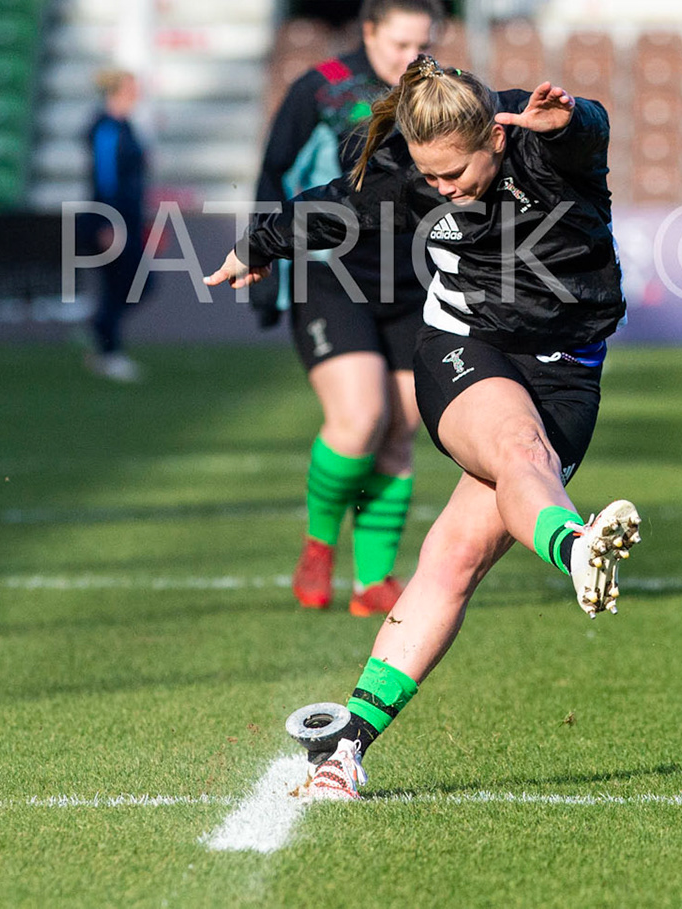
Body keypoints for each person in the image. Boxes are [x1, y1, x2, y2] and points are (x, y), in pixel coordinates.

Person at [205, 55, 640, 800]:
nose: (441, 189)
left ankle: (345, 748)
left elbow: (585, 132)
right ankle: (574, 547)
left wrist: (571, 119)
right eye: (429, 178)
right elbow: (333, 203)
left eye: (455, 174)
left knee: (454, 557)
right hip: (464, 343)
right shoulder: (413, 168)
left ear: (494, 140)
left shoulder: (542, 140)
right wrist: (258, 244)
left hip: (569, 370)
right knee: (515, 449)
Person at [253, 0, 437, 618]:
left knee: (400, 429)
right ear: (368, 31)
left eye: (423, 45)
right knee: (358, 418)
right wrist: (264, 260)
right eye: (399, 45)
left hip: (413, 283)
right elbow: (274, 172)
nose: (412, 58)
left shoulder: (437, 91)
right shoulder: (324, 88)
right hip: (331, 274)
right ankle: (318, 542)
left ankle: (373, 581)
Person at [84, 68, 148, 382]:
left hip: (130, 218)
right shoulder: (107, 129)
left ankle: (103, 341)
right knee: (125, 284)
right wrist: (106, 222)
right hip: (112, 220)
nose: (137, 91)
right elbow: (104, 179)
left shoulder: (126, 126)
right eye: (132, 86)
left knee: (132, 284)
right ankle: (107, 348)